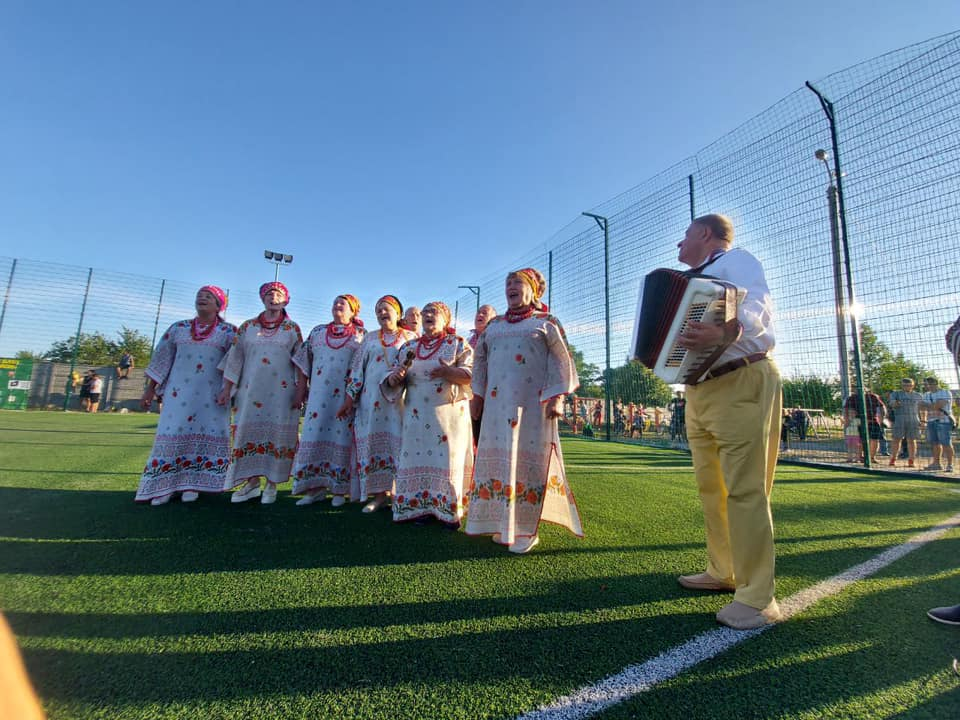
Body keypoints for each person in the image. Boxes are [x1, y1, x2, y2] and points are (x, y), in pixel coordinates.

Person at [673, 214, 782, 630]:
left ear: (704, 234)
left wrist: (726, 330)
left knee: (746, 489)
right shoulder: (691, 280)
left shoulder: (736, 260)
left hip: (742, 378)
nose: (679, 246)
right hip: (700, 388)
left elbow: (757, 305)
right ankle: (724, 570)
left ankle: (758, 598)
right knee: (710, 486)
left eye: (684, 236)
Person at [466, 268, 583, 554]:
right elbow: (480, 362)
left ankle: (526, 531)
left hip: (532, 407)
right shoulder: (493, 326)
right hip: (495, 408)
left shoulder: (546, 322)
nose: (511, 287)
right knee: (500, 461)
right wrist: (477, 396)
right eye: (508, 283)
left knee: (524, 463)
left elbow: (562, 361)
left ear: (533, 290)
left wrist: (558, 397)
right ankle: (502, 524)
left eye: (517, 282)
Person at [135, 286, 237, 505]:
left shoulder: (229, 332)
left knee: (204, 434)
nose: (202, 298)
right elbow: (162, 359)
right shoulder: (177, 329)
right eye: (199, 295)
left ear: (219, 305)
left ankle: (193, 484)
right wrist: (149, 389)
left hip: (211, 396)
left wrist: (227, 390)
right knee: (171, 433)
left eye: (208, 296)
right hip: (177, 394)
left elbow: (234, 364)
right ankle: (164, 486)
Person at [383, 301, 473, 528]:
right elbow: (393, 377)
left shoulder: (458, 343)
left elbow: (472, 374)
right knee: (416, 457)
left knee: (447, 460)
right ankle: (419, 509)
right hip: (416, 417)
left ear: (446, 319)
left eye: (434, 312)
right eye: (425, 313)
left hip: (448, 419)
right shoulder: (409, 347)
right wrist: (396, 377)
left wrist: (448, 371)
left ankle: (449, 512)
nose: (428, 315)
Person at [217, 282, 304, 504]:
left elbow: (301, 363)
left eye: (278, 294)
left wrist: (301, 392)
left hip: (282, 394)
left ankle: (272, 485)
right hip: (250, 393)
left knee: (277, 436)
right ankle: (252, 483)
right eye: (269, 294)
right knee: (248, 434)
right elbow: (235, 358)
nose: (273, 297)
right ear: (262, 299)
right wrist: (227, 389)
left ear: (286, 300)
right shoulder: (247, 327)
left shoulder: (292, 328)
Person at [339, 295, 417, 513]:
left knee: (400, 445)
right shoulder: (370, 338)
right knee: (374, 445)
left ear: (398, 313)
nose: (382, 313)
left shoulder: (411, 337)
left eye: (386, 309)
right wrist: (349, 399)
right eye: (378, 310)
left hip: (400, 404)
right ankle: (380, 495)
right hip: (371, 402)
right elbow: (356, 370)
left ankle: (402, 495)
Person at [291, 294, 366, 507]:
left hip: (346, 398)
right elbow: (304, 361)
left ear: (354, 311)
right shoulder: (317, 332)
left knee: (341, 439)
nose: (337, 305)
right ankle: (314, 489)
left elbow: (362, 368)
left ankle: (339, 490)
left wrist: (352, 396)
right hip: (318, 397)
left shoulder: (361, 335)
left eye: (343, 303)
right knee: (314, 435)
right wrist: (301, 389)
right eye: (335, 302)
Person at [468, 304, 498, 445]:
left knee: (489, 438)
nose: (479, 315)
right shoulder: (468, 341)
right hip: (470, 396)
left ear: (494, 318)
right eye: (478, 312)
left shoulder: (496, 338)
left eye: (484, 313)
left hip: (490, 397)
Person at [921, 377, 954, 472]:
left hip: (943, 421)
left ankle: (950, 464)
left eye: (928, 384)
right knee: (934, 443)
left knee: (946, 443)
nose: (926, 386)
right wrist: (924, 418)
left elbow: (937, 406)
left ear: (935, 383)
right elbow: (921, 407)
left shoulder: (945, 392)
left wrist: (926, 405)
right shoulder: (926, 394)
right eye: (926, 384)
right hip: (931, 421)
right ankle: (936, 463)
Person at [843, 388, 885, 463]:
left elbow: (882, 407)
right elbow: (846, 411)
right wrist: (847, 422)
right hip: (858, 422)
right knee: (861, 440)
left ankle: (871, 457)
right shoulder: (851, 398)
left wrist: (882, 418)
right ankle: (861, 457)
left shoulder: (873, 397)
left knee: (874, 440)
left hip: (872, 421)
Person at [888, 378, 922, 468]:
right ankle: (893, 459)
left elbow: (921, 409)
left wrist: (923, 420)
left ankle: (911, 460)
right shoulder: (896, 394)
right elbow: (892, 404)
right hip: (899, 418)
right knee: (896, 439)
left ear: (913, 385)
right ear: (902, 385)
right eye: (904, 385)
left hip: (913, 419)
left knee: (912, 440)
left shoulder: (917, 395)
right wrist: (896, 403)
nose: (907, 387)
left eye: (909, 385)